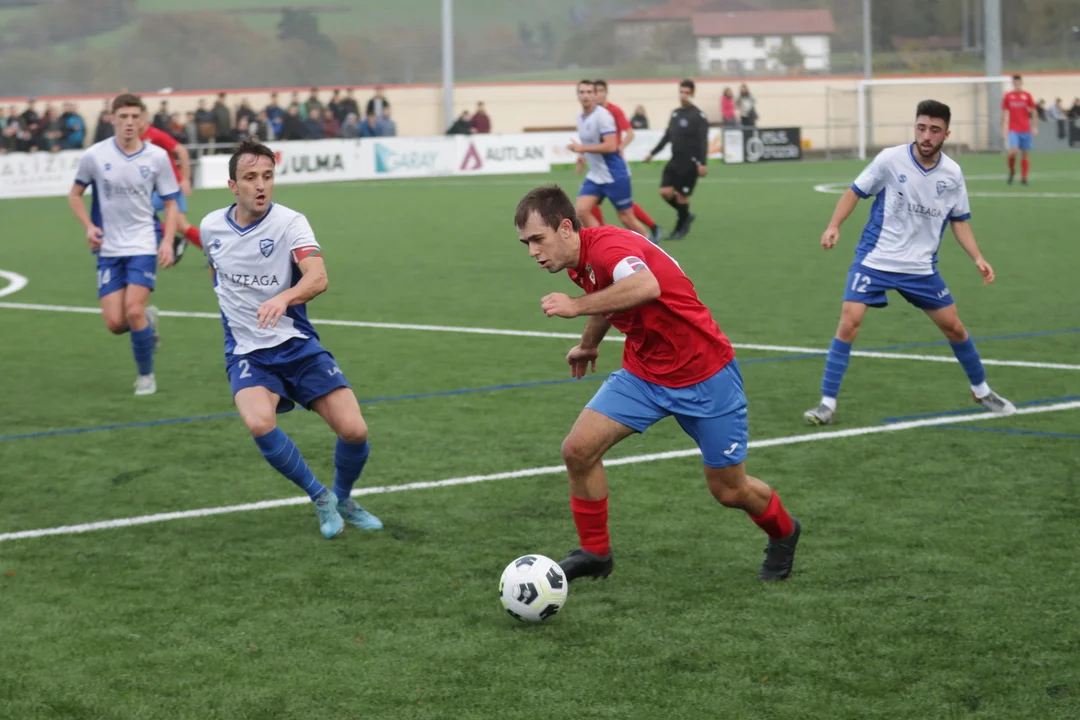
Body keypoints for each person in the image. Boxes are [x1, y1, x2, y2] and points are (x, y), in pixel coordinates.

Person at [514, 185, 801, 582]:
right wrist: (588, 345)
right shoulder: (580, 259)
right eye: (526, 243)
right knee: (578, 450)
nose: (533, 251)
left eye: (537, 239)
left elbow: (646, 286)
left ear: (565, 228)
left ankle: (785, 532)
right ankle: (595, 552)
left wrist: (575, 306)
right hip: (644, 373)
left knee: (729, 490)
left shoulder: (608, 248)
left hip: (704, 375)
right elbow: (609, 297)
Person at [199, 139, 383, 539]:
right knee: (258, 422)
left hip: (297, 345)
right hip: (247, 353)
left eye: (267, 176)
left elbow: (318, 277)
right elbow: (215, 271)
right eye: (250, 177)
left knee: (355, 431)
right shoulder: (211, 227)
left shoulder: (290, 222)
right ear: (233, 185)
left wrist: (283, 297)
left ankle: (343, 499)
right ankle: (320, 497)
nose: (261, 185)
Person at [803, 100, 1016, 426]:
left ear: (946, 134)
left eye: (934, 130)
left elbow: (959, 220)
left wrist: (977, 257)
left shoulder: (952, 174)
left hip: (920, 268)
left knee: (954, 327)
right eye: (921, 127)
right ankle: (827, 404)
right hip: (876, 259)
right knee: (848, 323)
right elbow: (855, 191)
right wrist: (833, 226)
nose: (926, 136)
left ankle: (981, 390)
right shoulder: (890, 159)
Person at [67, 93, 180, 396]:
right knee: (116, 323)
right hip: (108, 248)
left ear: (143, 120)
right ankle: (148, 321)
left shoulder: (157, 157)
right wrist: (89, 227)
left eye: (135, 117)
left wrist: (167, 241)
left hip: (143, 243)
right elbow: (75, 195)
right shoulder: (95, 155)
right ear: (112, 119)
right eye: (123, 116)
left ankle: (145, 376)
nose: (129, 122)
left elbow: (171, 203)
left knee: (132, 310)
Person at [570, 80, 651, 241]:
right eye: (582, 92)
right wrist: (582, 155)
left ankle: (651, 247)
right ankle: (603, 244)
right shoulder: (580, 117)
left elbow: (611, 146)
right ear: (577, 95)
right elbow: (589, 142)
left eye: (589, 92)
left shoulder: (603, 116)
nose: (585, 95)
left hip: (614, 173)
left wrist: (582, 148)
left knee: (626, 217)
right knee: (581, 211)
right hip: (596, 174)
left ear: (595, 95)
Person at [590, 79, 662, 243]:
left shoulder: (614, 111)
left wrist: (619, 147)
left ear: (606, 93)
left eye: (600, 91)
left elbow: (630, 133)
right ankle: (604, 237)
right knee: (588, 205)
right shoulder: (592, 113)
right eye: (594, 91)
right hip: (599, 166)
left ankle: (650, 233)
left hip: (614, 166)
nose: (597, 94)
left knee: (624, 209)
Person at [643, 79, 709, 241]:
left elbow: (703, 141)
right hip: (675, 161)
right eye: (681, 92)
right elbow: (667, 136)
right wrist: (652, 153)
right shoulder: (675, 113)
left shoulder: (698, 116)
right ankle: (686, 214)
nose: (683, 95)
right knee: (665, 192)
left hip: (690, 162)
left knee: (681, 196)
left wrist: (703, 163)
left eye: (687, 93)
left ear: (692, 94)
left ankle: (679, 230)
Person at [138, 110, 202, 262]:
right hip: (157, 188)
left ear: (145, 117)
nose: (133, 121)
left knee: (178, 225)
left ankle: (215, 250)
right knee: (177, 225)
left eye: (137, 117)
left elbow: (182, 151)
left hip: (171, 186)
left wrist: (185, 179)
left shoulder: (155, 134)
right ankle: (179, 241)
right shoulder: (135, 138)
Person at [1002, 75, 1037, 185]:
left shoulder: (1027, 95)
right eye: (1015, 83)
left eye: (1019, 83)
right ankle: (1012, 171)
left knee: (1025, 154)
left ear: (1021, 83)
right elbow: (1004, 113)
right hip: (1013, 129)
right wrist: (1003, 128)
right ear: (1013, 83)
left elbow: (1034, 111)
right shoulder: (1008, 96)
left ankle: (1024, 178)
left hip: (1026, 129)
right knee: (1013, 151)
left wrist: (1035, 127)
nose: (1017, 85)